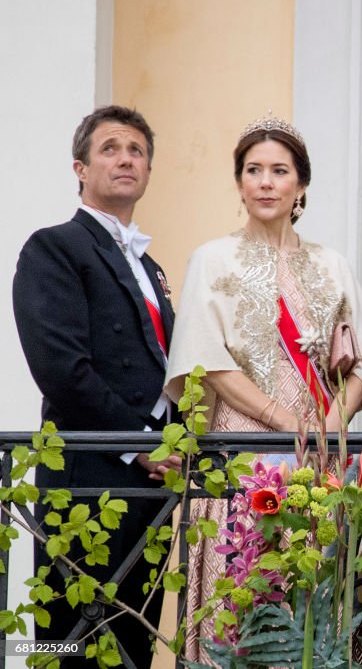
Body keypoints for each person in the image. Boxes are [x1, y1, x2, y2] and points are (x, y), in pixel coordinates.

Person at [164, 114, 362, 661]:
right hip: (240, 450)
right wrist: (284, 421)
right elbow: (204, 360)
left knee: (311, 607)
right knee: (241, 598)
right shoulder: (213, 259)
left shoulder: (332, 265)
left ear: (300, 185)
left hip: (320, 460)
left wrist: (334, 422)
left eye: (279, 171)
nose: (265, 182)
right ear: (239, 183)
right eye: (253, 170)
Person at [12, 105, 179, 668]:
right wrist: (142, 443)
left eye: (136, 150)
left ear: (149, 172)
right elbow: (62, 368)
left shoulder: (150, 266)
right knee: (71, 639)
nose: (126, 158)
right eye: (110, 148)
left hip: (149, 481)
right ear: (80, 168)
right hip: (87, 474)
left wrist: (175, 444)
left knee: (133, 636)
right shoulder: (53, 247)